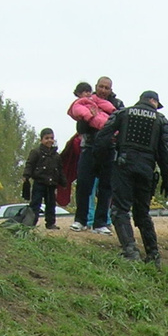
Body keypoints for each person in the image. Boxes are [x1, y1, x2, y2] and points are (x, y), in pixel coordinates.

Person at [104, 90, 168, 265]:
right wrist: (166, 177)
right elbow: (165, 152)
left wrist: (102, 162)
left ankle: (130, 251)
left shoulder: (123, 114)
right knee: (142, 213)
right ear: (152, 101)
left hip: (124, 164)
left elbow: (103, 136)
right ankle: (154, 256)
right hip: (147, 169)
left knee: (120, 209)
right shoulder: (161, 120)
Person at [69, 77, 121, 232]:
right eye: (101, 87)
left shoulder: (117, 105)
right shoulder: (86, 102)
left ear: (111, 90)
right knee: (84, 184)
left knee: (106, 187)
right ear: (96, 87)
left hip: (109, 149)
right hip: (89, 147)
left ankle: (100, 223)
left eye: (107, 88)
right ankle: (81, 220)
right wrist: (89, 118)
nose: (103, 90)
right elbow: (81, 128)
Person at [21, 129, 65, 228]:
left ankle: (50, 223)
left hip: (51, 184)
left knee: (51, 205)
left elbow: (60, 169)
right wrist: (26, 176)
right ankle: (30, 223)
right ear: (41, 140)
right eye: (46, 138)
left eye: (51, 138)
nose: (49, 140)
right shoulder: (36, 152)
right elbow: (29, 164)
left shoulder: (56, 155)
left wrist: (63, 182)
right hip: (39, 183)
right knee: (35, 204)